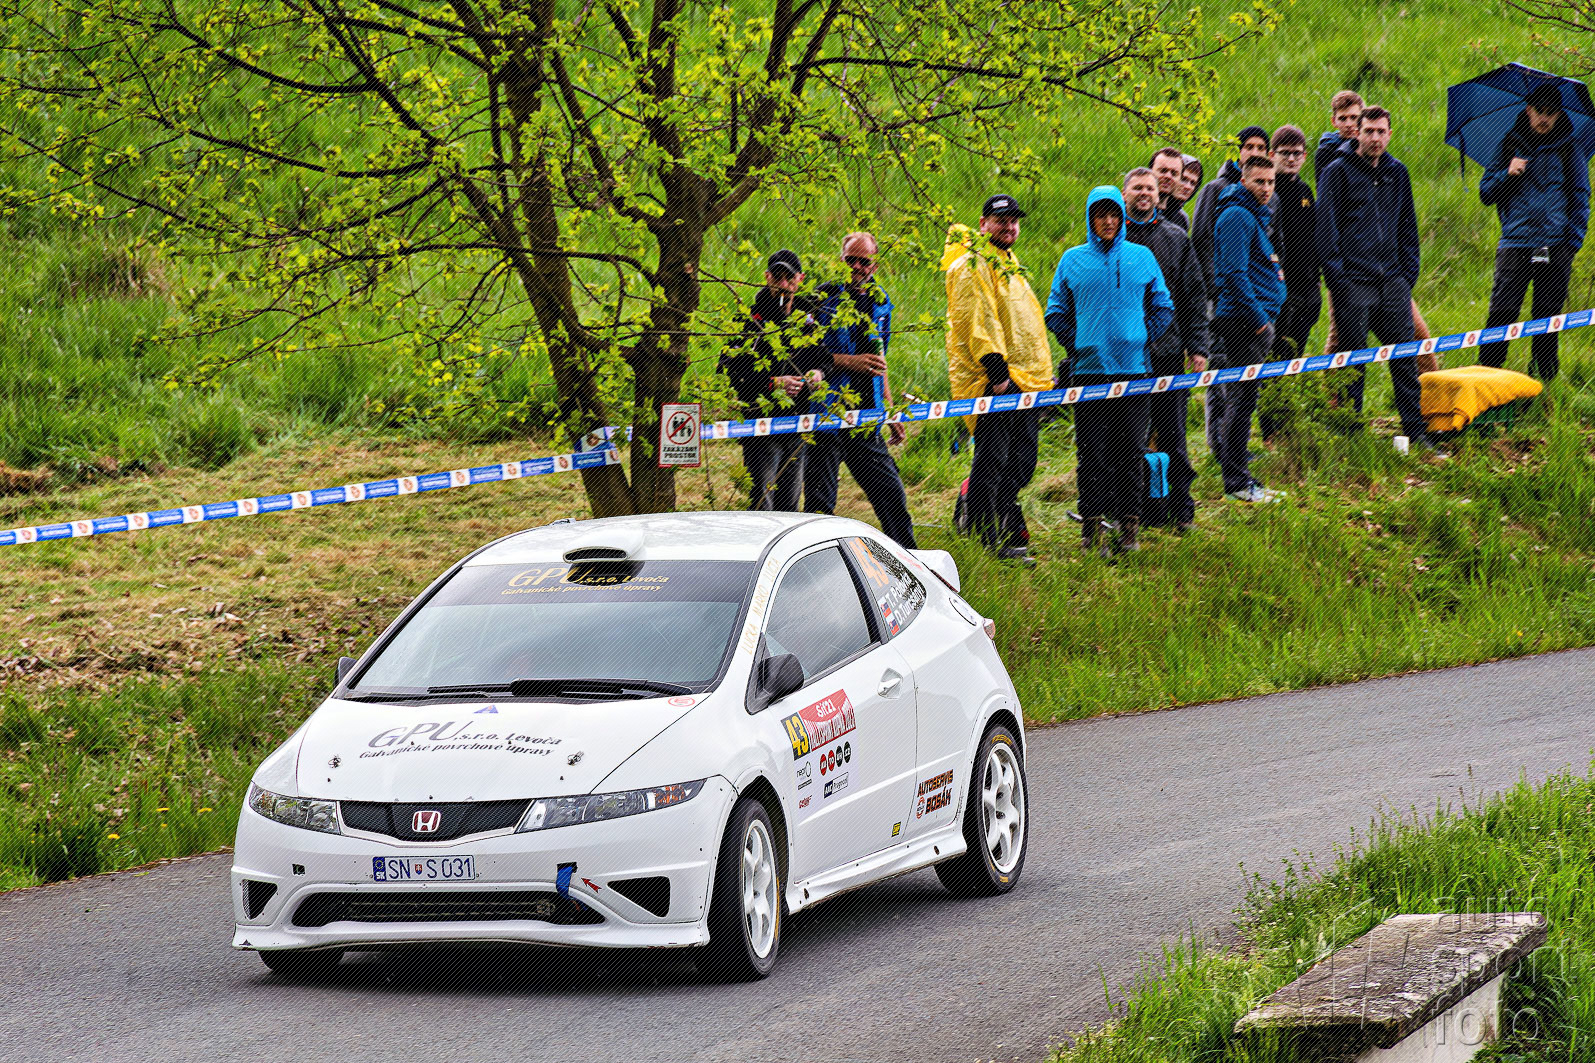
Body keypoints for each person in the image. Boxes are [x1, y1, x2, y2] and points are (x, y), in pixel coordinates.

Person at [1046, 186, 1174, 556]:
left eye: (1114, 214)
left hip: (1134, 372)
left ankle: (1129, 528)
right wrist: (1077, 343)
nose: (1108, 221)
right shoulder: (1072, 260)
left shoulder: (1141, 257)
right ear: (1090, 218)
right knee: (1091, 454)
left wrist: (1142, 337)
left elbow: (1163, 305)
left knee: (1130, 452)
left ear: (1122, 216)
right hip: (1089, 374)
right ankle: (1091, 530)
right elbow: (1055, 311)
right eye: (1100, 215)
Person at [943, 194, 1054, 564]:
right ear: (983, 223)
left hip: (1024, 382)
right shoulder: (973, 264)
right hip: (994, 382)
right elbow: (979, 321)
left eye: (1013, 220)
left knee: (1022, 462)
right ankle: (984, 539)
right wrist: (997, 373)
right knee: (992, 462)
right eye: (1000, 220)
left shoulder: (1008, 263)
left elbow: (1022, 322)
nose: (1009, 226)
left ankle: (986, 515)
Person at [1316, 105, 1430, 446]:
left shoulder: (1398, 173)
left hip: (1392, 281)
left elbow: (1408, 227)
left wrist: (1406, 277)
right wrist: (1339, 283)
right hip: (1353, 283)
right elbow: (1326, 233)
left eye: (1381, 132)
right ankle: (1350, 435)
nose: (1375, 138)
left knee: (1405, 359)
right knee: (1353, 363)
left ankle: (1416, 432)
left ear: (1390, 134)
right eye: (1369, 131)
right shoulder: (1336, 172)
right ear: (1357, 133)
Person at [803, 231, 918, 548]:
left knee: (892, 496)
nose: (856, 266)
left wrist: (890, 410)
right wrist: (849, 362)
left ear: (874, 265)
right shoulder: (821, 298)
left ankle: (912, 563)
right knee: (820, 507)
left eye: (864, 261)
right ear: (841, 260)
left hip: (867, 418)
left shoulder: (881, 302)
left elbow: (880, 361)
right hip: (828, 415)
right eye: (850, 260)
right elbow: (806, 355)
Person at [1477, 83, 1589, 380]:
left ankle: (1543, 387)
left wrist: (1572, 244)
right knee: (1501, 314)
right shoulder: (1508, 144)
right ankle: (1486, 381)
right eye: (1540, 111)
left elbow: (1581, 197)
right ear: (1528, 109)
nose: (1544, 118)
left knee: (1547, 318)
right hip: (1515, 244)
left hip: (1554, 246)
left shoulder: (1570, 147)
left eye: (1551, 112)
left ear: (1559, 114)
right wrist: (1507, 173)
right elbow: (1486, 193)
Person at [1122, 167, 1209, 531]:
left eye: (1150, 188)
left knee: (1174, 435)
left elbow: (1194, 296)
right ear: (1125, 194)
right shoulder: (1112, 236)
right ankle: (1132, 511)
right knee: (1129, 437)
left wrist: (1198, 346)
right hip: (1124, 357)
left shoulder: (1176, 238)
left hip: (1168, 352)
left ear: (1160, 196)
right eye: (1137, 188)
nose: (1144, 193)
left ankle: (1181, 509)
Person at [1211, 156, 1287, 502]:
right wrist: (1259, 321)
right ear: (1243, 181)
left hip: (1255, 319)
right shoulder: (1236, 216)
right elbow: (1234, 274)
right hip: (1244, 323)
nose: (1266, 188)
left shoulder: (1253, 214)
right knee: (1240, 401)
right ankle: (1236, 482)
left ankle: (1240, 477)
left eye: (1270, 182)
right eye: (1259, 181)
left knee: (1244, 400)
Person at [719, 249, 819, 510]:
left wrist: (818, 373)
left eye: (789, 278)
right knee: (763, 505)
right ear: (767, 277)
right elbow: (728, 369)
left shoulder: (807, 318)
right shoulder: (749, 319)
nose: (783, 284)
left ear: (800, 279)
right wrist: (772, 382)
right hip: (761, 425)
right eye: (777, 277)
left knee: (790, 507)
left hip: (798, 423)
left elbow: (822, 356)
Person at [1192, 126, 1272, 294]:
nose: (1255, 153)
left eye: (1261, 148)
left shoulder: (1271, 196)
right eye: (1249, 147)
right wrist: (1216, 287)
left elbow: (1275, 243)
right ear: (1237, 151)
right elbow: (1202, 239)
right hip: (1221, 290)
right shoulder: (1215, 189)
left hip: (1257, 291)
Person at [1268, 125, 1322, 362]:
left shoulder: (1304, 190)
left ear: (1304, 156)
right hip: (1280, 288)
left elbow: (1312, 237)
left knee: (1295, 356)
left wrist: (1315, 280)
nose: (1291, 159)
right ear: (1272, 155)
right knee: (1276, 357)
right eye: (1285, 153)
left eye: (1296, 153)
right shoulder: (1268, 191)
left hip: (1307, 287)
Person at [1314, 90, 1363, 177]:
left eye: (1354, 117)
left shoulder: (1371, 145)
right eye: (1342, 119)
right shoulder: (1326, 152)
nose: (1348, 124)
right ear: (1334, 121)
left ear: (1363, 118)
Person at [1148, 147, 1192, 231]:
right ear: (1150, 171)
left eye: (1174, 173)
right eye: (1163, 171)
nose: (1168, 176)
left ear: (1180, 178)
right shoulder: (1131, 210)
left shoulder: (1181, 220)